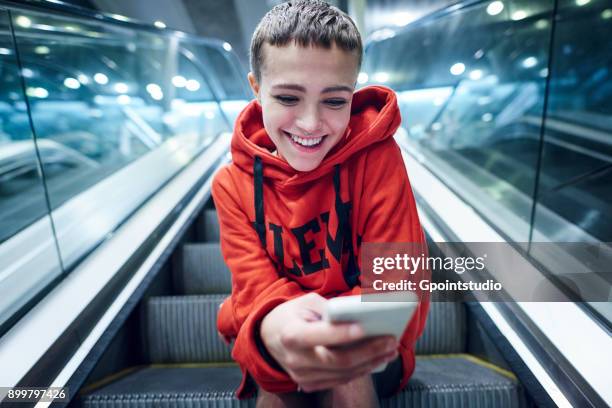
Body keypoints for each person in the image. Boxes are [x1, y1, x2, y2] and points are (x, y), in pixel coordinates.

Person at [211, 1, 429, 407]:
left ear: (352, 93)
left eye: (334, 101)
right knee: (280, 383)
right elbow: (254, 291)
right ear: (257, 90)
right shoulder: (231, 184)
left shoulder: (378, 160)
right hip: (275, 339)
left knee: (348, 371)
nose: (311, 124)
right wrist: (276, 326)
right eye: (289, 98)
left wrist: (328, 331)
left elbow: (397, 288)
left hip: (373, 346)